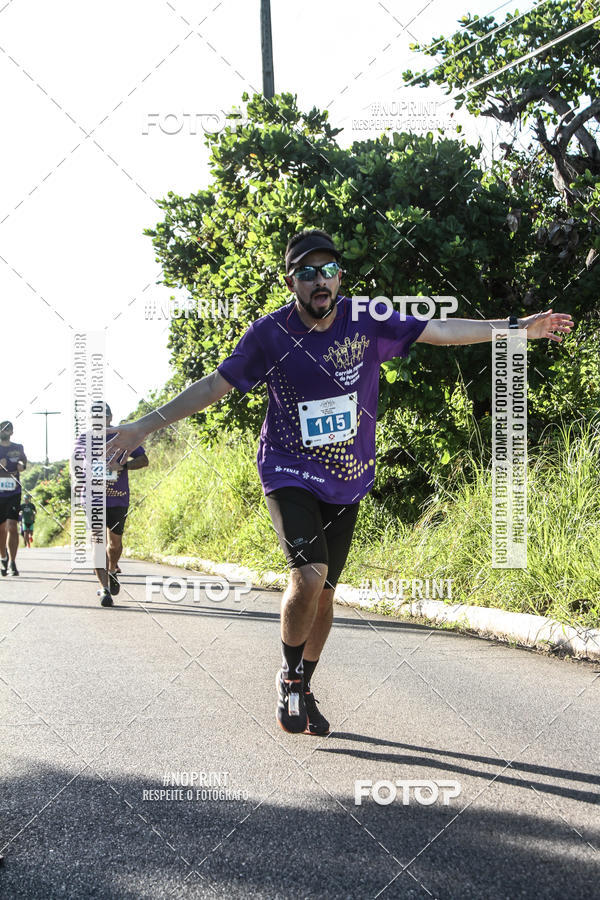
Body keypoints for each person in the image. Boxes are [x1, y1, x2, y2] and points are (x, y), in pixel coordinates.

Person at [105, 228, 574, 735]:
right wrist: (143, 425)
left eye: (327, 270)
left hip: (347, 478)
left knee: (325, 594)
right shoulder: (270, 334)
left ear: (340, 277)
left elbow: (439, 329)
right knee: (307, 575)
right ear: (291, 283)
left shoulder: (366, 318)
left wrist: (516, 327)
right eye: (306, 273)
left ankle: (304, 684)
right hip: (288, 468)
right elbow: (215, 386)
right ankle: (287, 676)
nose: (318, 281)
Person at [72, 403, 148, 607]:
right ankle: (104, 589)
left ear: (110, 417)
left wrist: (122, 465)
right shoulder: (84, 438)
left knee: (114, 544)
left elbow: (144, 460)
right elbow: (79, 462)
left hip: (118, 497)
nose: (99, 420)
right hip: (93, 498)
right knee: (98, 541)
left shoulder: (123, 436)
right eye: (95, 416)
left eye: (103, 416)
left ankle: (113, 568)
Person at [0, 420, 27, 576]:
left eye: (7, 429)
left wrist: (21, 466)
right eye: (2, 429)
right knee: (1, 529)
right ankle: (3, 557)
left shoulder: (17, 447)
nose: (5, 431)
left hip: (13, 491)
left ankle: (12, 562)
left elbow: (24, 461)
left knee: (12, 526)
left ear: (11, 432)